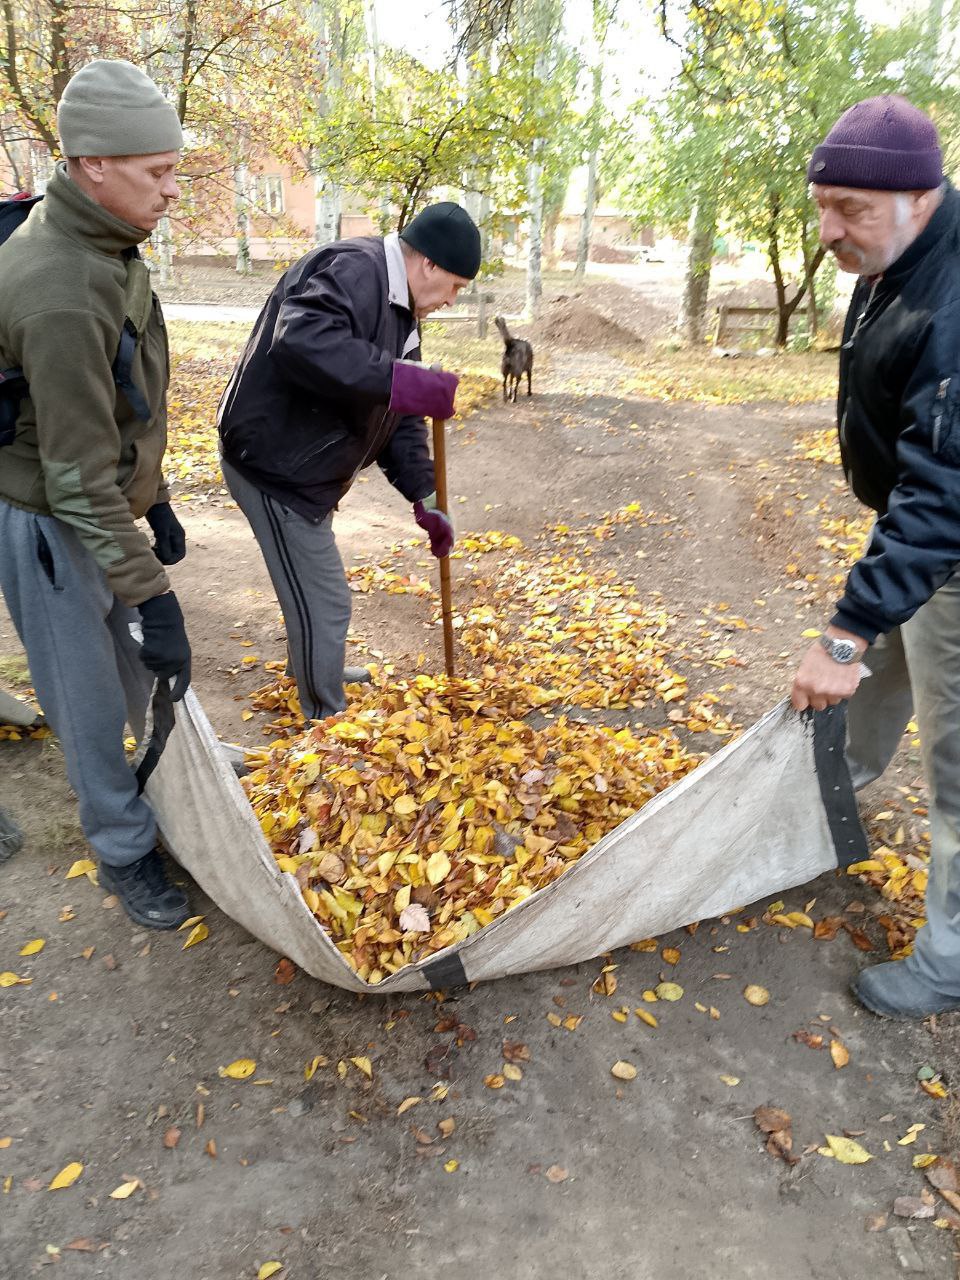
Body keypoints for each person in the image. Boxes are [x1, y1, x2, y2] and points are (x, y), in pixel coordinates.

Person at [0, 60, 192, 928]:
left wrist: (151, 499)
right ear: (93, 164)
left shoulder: (106, 244)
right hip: (47, 519)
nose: (171, 191)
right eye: (157, 173)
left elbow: (119, 402)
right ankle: (121, 848)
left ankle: (155, 785)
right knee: (84, 691)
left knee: (127, 666)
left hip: (94, 501)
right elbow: (73, 475)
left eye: (174, 170)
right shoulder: (60, 283)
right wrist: (156, 593)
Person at [789, 95, 960, 1017]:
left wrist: (848, 630)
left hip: (954, 545)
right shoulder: (891, 254)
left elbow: (946, 493)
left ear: (919, 198)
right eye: (823, 205)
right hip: (921, 533)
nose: (828, 230)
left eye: (848, 209)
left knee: (958, 757)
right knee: (867, 700)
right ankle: (820, 823)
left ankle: (950, 960)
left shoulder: (956, 298)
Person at [217, 202, 480, 721]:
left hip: (308, 466)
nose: (451, 301)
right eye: (455, 286)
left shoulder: (403, 312)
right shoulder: (355, 269)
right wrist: (404, 380)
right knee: (327, 601)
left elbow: (399, 414)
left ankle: (315, 667)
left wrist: (424, 496)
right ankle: (326, 719)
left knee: (313, 593)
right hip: (273, 465)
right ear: (428, 263)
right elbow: (301, 339)